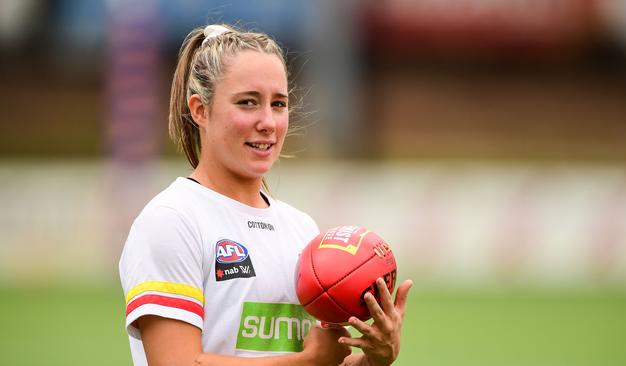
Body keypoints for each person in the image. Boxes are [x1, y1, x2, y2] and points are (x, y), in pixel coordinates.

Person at [118, 24, 413, 366]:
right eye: (248, 103)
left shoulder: (302, 230)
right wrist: (311, 360)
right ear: (200, 110)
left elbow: (320, 358)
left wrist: (373, 359)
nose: (268, 122)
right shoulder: (173, 220)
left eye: (278, 104)